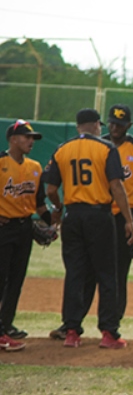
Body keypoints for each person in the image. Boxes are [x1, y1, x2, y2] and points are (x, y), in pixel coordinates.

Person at [49, 104, 133, 341]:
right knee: (92, 272)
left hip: (114, 217)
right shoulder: (103, 147)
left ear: (129, 125)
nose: (116, 127)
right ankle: (78, 325)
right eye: (112, 123)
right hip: (103, 216)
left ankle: (107, 324)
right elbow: (115, 186)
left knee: (115, 273)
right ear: (102, 124)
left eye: (121, 124)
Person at [0, 120, 49, 351]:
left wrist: (52, 221)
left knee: (16, 280)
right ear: (13, 139)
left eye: (33, 138)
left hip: (24, 228)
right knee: (1, 279)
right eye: (26, 137)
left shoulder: (36, 167)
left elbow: (39, 204)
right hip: (3, 228)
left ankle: (6, 325)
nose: (31, 141)